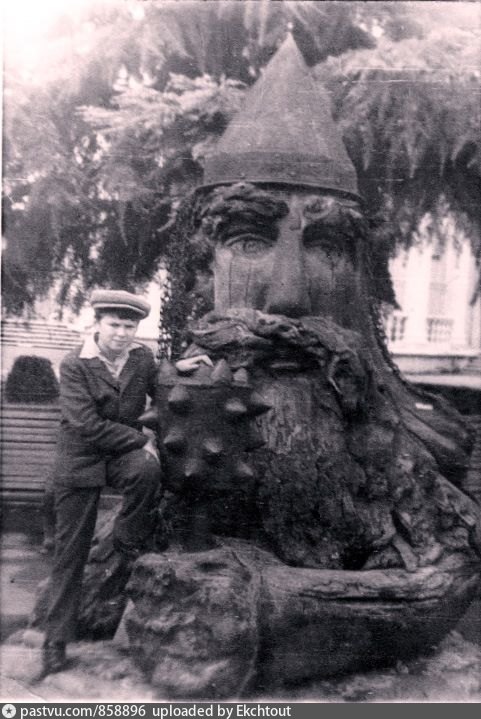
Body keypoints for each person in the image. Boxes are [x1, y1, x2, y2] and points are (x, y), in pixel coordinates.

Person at [40, 290, 211, 678]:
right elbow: (86, 425)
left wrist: (179, 368)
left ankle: (127, 538)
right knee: (71, 552)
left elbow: (159, 384)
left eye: (128, 326)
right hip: (80, 458)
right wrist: (140, 439)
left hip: (119, 457)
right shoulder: (75, 363)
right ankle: (55, 640)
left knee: (147, 471)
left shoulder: (140, 358)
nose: (121, 333)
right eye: (114, 325)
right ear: (98, 324)